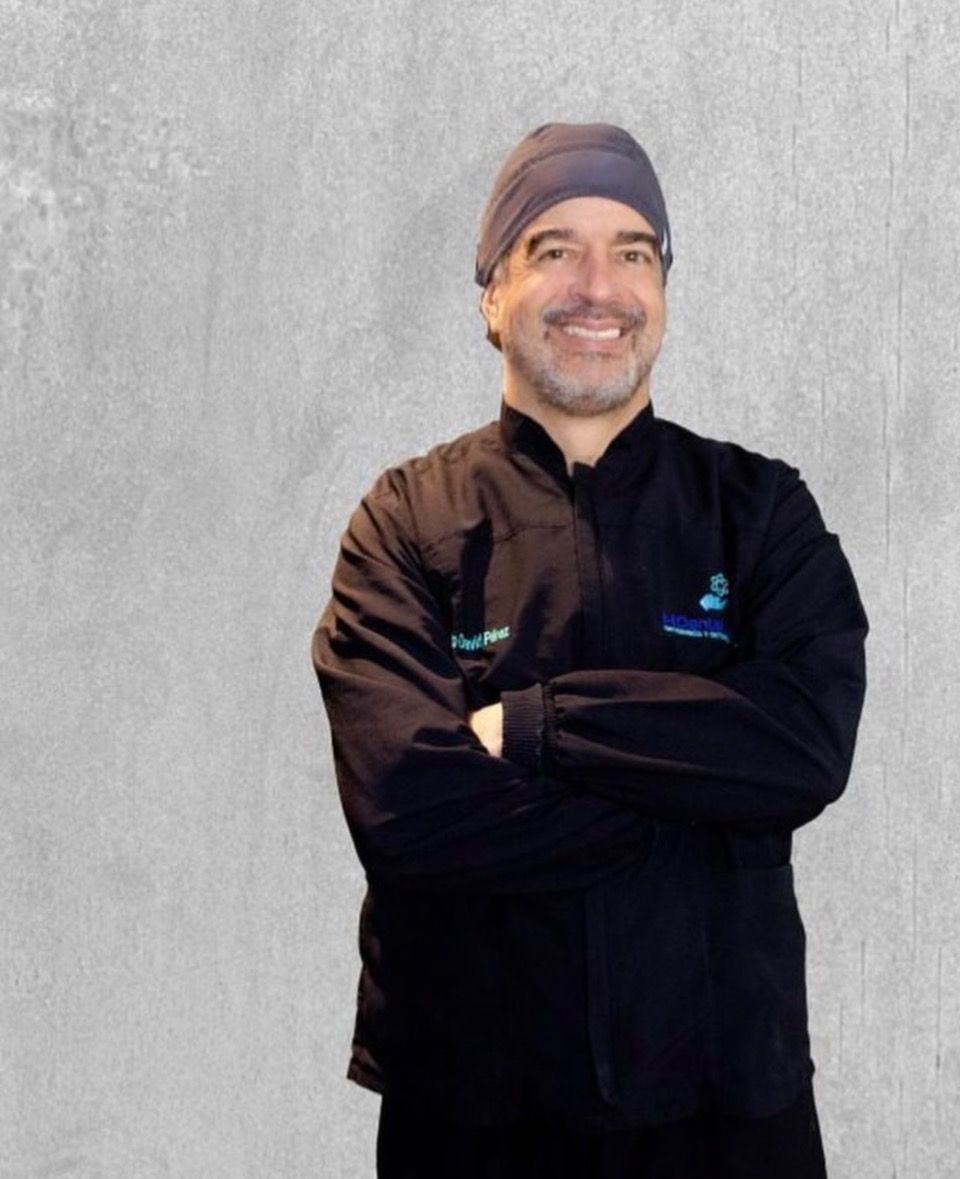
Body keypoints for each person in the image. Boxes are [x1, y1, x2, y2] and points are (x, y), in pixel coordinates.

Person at [311, 122, 868, 1179]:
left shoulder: (760, 513)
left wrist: (536, 727)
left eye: (633, 253)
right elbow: (406, 812)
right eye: (554, 249)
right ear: (492, 295)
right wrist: (700, 804)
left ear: (663, 291)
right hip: (473, 1112)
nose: (598, 287)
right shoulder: (405, 523)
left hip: (727, 1111)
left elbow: (805, 748)